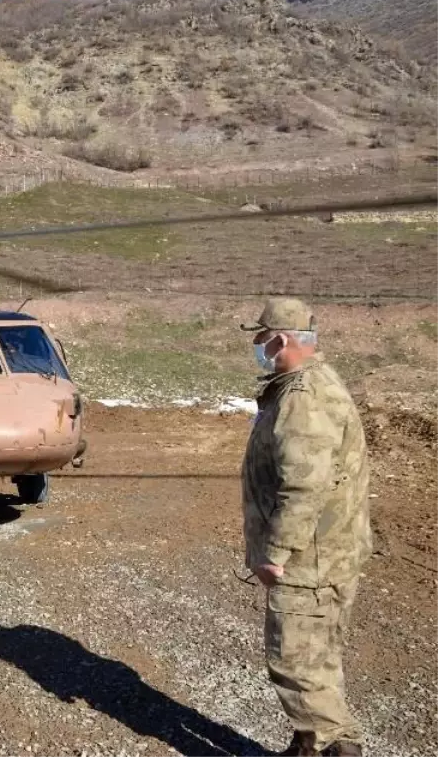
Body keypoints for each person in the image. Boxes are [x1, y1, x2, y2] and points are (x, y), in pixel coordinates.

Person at [240, 298, 370, 757]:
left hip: (309, 561)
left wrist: (276, 552)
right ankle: (308, 747)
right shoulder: (306, 385)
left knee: (298, 668)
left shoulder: (304, 398)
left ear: (283, 340)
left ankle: (334, 746)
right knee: (317, 661)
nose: (257, 347)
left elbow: (304, 486)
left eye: (261, 339)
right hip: (325, 554)